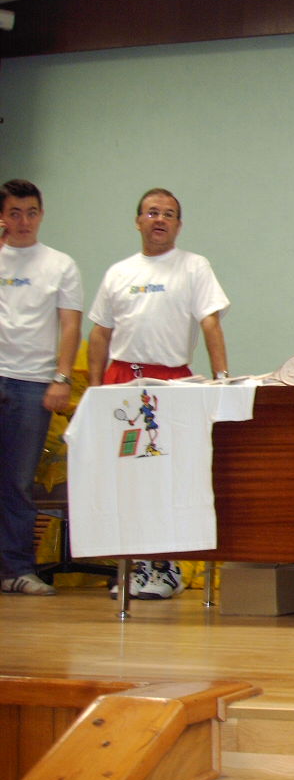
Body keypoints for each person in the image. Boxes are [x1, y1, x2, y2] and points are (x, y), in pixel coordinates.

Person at [86, 187, 230, 599]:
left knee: (163, 477)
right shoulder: (118, 273)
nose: (160, 219)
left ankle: (166, 569)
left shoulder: (194, 267)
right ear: (138, 221)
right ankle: (135, 567)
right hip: (120, 386)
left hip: (169, 387)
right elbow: (99, 333)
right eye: (152, 212)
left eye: (168, 213)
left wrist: (221, 378)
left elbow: (210, 323)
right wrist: (94, 392)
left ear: (179, 225)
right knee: (126, 481)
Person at [0, 179, 82, 596]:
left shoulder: (60, 265)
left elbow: (70, 326)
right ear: (2, 216)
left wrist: (61, 378)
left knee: (17, 481)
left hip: (34, 384)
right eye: (15, 213)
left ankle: (16, 569)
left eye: (31, 212)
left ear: (42, 215)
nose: (24, 221)